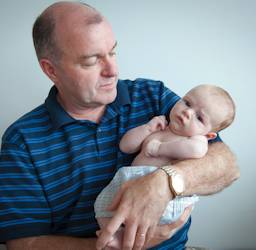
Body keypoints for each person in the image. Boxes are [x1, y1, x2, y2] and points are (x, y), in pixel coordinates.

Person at [0, 2, 239, 250]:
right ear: (51, 70)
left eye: (113, 53)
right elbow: (24, 243)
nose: (112, 71)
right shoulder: (22, 141)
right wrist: (116, 246)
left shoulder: (151, 95)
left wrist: (164, 183)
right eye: (92, 61)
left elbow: (226, 164)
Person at [94, 84, 236, 248]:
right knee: (102, 205)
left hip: (165, 195)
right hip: (128, 180)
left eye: (199, 118)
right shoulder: (160, 126)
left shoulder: (197, 140)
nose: (187, 112)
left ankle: (127, 240)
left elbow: (196, 151)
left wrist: (160, 148)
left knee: (155, 219)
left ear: (209, 135)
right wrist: (147, 129)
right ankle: (111, 233)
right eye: (187, 103)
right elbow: (125, 146)